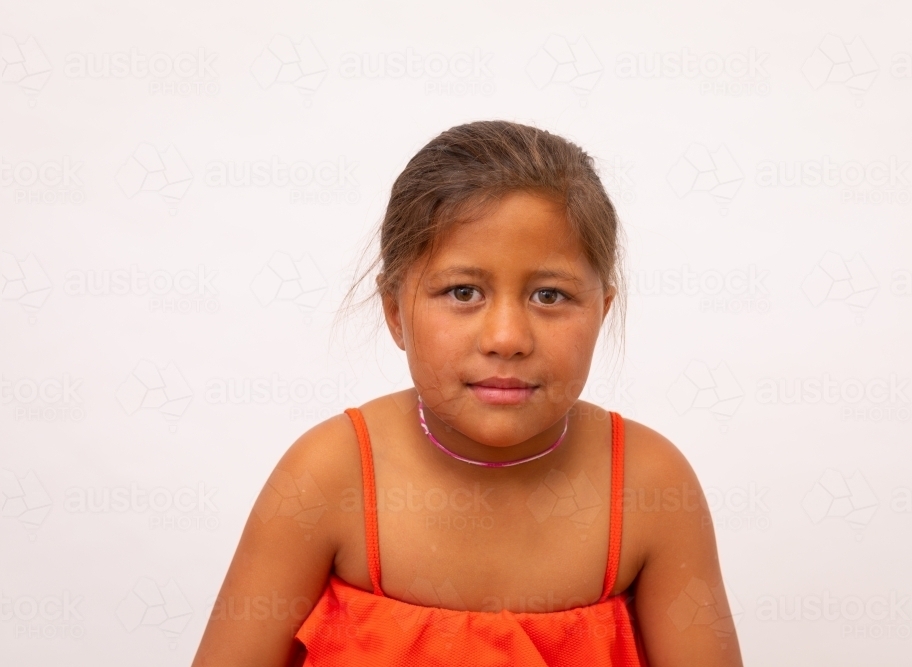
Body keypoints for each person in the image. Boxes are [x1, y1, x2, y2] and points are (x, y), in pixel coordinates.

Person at [191, 120, 743, 666]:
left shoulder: (649, 486)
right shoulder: (328, 476)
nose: (507, 338)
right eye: (463, 292)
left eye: (549, 295)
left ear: (603, 310)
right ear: (394, 312)